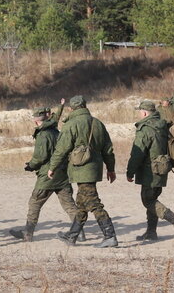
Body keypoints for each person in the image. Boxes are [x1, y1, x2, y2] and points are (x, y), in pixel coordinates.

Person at [47, 95, 118, 248]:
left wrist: (52, 167)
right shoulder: (98, 123)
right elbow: (108, 150)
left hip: (81, 170)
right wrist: (111, 169)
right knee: (81, 204)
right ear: (85, 106)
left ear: (71, 109)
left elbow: (61, 149)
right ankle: (71, 236)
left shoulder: (71, 124)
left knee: (93, 203)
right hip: (95, 169)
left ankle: (110, 235)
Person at [10, 101, 85, 243]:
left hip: (47, 175)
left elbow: (40, 156)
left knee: (34, 203)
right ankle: (79, 232)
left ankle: (28, 233)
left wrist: (30, 165)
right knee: (69, 205)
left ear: (35, 119)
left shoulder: (43, 135)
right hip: (62, 174)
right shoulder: (55, 130)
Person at [125, 101, 174, 241]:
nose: (139, 114)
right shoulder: (162, 126)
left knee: (147, 200)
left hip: (150, 171)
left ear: (145, 113)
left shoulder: (146, 128)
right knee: (152, 199)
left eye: (140, 111)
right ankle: (151, 232)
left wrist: (130, 171)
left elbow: (138, 153)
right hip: (162, 168)